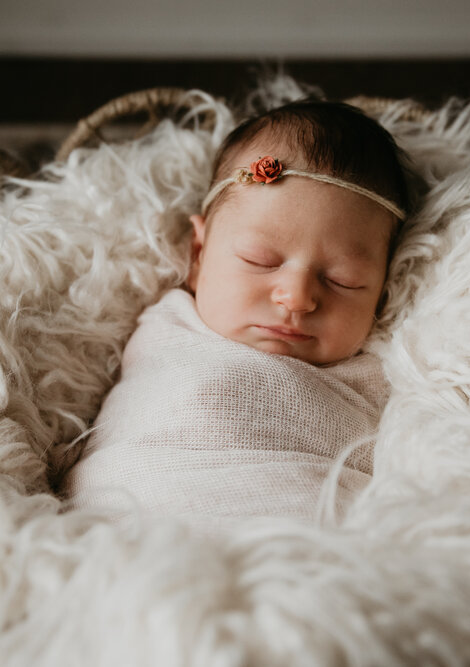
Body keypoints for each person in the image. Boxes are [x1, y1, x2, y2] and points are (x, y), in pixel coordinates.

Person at [62, 100, 413, 527]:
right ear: (197, 255)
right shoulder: (163, 323)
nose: (297, 297)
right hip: (131, 515)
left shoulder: (386, 372)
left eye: (344, 280)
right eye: (260, 260)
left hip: (304, 533)